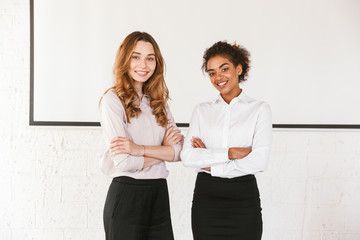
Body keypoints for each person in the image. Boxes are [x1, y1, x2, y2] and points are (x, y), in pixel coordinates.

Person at [181, 41, 272, 240]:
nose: (218, 77)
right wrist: (230, 153)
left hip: (243, 198)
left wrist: (209, 163)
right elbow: (187, 156)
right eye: (212, 72)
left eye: (224, 69)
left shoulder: (259, 109)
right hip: (207, 199)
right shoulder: (202, 110)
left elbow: (259, 161)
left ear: (239, 69)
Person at [99, 31, 183, 240]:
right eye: (136, 57)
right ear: (125, 60)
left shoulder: (159, 102)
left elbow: (180, 151)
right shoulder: (112, 100)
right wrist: (164, 152)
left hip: (158, 194)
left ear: (157, 63)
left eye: (149, 58)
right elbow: (123, 162)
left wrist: (139, 150)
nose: (143, 65)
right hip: (127, 195)